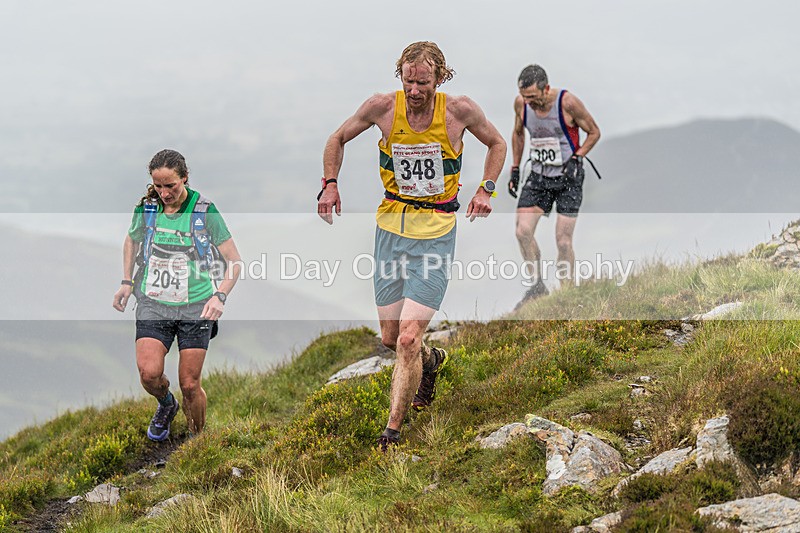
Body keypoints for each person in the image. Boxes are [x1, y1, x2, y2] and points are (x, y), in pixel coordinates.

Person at [317, 42, 506, 451]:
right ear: (399, 76)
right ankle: (431, 361)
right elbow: (337, 138)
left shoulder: (460, 111)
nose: (416, 90)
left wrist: (486, 189)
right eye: (409, 81)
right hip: (391, 228)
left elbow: (497, 144)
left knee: (406, 339)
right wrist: (330, 184)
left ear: (441, 78)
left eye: (424, 82)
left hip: (436, 231)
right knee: (390, 337)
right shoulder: (383, 107)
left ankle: (393, 433)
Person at [112, 149, 242, 441]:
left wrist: (219, 296)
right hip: (152, 302)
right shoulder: (147, 208)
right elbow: (132, 240)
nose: (164, 193)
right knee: (149, 373)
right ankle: (166, 405)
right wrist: (125, 281)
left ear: (185, 178)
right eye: (158, 186)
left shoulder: (204, 211)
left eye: (170, 185)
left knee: (190, 384)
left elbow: (235, 261)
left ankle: (197, 442)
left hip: (196, 306)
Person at [508, 64, 600, 308]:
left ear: (545, 89)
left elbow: (594, 132)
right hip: (538, 177)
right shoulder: (521, 105)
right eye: (524, 97)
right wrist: (515, 168)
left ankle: (567, 291)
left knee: (563, 241)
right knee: (522, 232)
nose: (528, 102)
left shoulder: (567, 103)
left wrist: (578, 157)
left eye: (532, 97)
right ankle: (537, 285)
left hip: (568, 178)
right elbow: (518, 133)